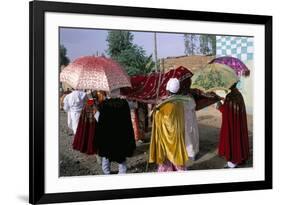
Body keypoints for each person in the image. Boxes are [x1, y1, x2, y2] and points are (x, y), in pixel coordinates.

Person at [149, 78, 189, 172]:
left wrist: (156, 111)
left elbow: (163, 119)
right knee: (177, 157)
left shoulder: (165, 106)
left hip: (167, 139)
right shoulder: (180, 102)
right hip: (178, 136)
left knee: (167, 157)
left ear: (167, 90)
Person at [95, 89, 136, 174]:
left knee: (106, 154)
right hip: (121, 134)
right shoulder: (124, 103)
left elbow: (99, 120)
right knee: (122, 154)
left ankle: (106, 172)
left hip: (108, 134)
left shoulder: (103, 104)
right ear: (118, 92)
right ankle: (122, 173)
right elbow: (130, 113)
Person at [216, 82, 249, 168]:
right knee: (238, 140)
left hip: (231, 125)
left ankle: (232, 163)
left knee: (232, 140)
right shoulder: (238, 94)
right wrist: (225, 101)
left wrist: (219, 106)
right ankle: (238, 158)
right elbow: (232, 108)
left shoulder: (230, 97)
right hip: (238, 124)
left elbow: (226, 112)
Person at [179, 78, 199, 161]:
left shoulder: (185, 98)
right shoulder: (188, 97)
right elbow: (193, 106)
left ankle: (191, 153)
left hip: (188, 120)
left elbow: (192, 106)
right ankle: (191, 153)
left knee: (189, 136)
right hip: (188, 120)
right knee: (190, 136)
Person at [72, 90, 98, 155]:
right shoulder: (90, 92)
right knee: (89, 128)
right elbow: (90, 102)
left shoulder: (95, 91)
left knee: (89, 128)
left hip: (90, 108)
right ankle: (88, 146)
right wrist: (93, 100)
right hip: (91, 108)